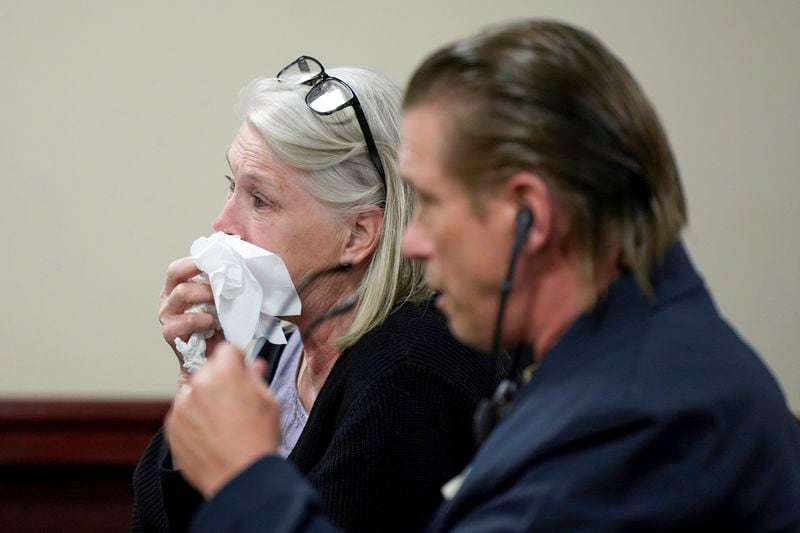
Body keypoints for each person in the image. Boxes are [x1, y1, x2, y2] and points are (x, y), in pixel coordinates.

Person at [163, 21, 800, 532]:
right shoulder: (607, 363)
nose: (411, 239)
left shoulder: (648, 423)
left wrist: (247, 479)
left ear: (530, 216)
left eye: (432, 204)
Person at [132, 57, 500, 532]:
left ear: (357, 234)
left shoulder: (409, 375)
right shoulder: (282, 338)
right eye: (231, 187)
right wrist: (197, 379)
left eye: (259, 200)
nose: (222, 225)